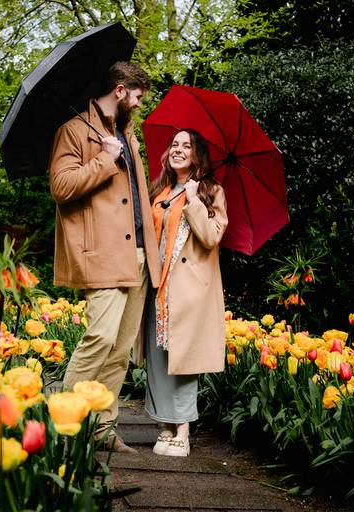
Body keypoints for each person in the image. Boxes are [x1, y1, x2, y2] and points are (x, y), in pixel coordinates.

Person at [48, 61, 161, 453]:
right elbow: (61, 187)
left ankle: (102, 428)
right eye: (137, 97)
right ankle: (64, 425)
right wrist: (104, 159)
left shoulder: (124, 133)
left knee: (121, 351)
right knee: (99, 337)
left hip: (139, 254)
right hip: (101, 254)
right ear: (119, 91)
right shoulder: (74, 130)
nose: (139, 105)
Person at [143, 129, 228, 457]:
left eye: (186, 145)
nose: (178, 150)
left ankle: (183, 430)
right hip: (156, 285)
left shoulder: (211, 192)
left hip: (188, 288)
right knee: (158, 354)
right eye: (174, 144)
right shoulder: (160, 189)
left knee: (183, 359)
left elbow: (211, 237)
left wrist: (193, 200)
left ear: (197, 155)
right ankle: (164, 424)